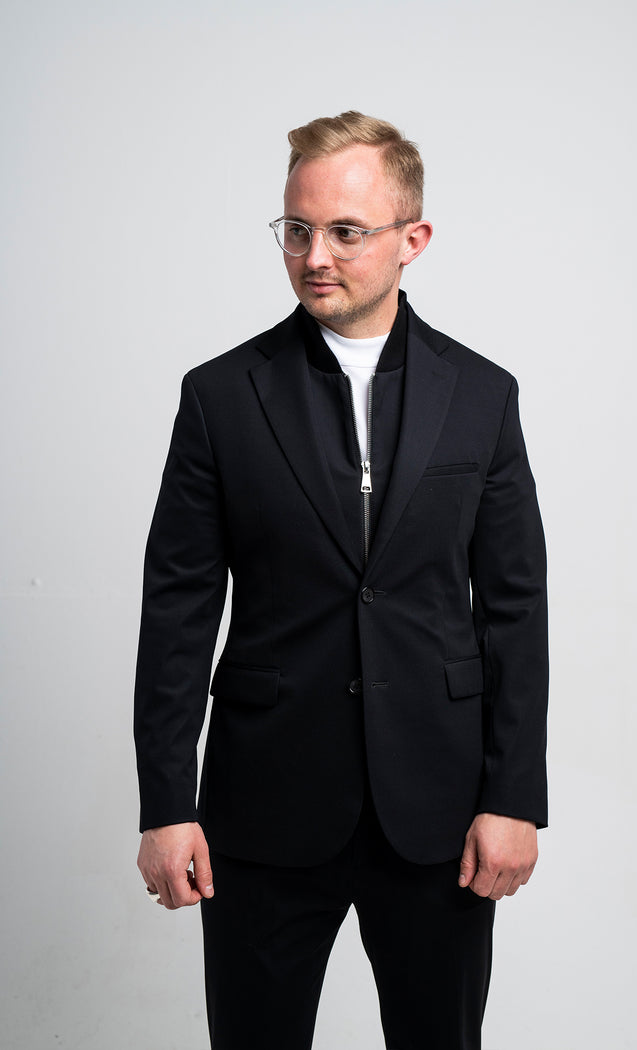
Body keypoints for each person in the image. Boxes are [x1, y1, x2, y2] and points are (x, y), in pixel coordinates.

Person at [134, 110, 548, 1050]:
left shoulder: (483, 396)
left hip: (440, 811)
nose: (314, 256)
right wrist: (166, 805)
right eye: (297, 229)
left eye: (345, 231)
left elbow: (515, 609)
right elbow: (178, 610)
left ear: (413, 240)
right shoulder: (219, 397)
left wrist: (515, 796)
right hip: (262, 809)